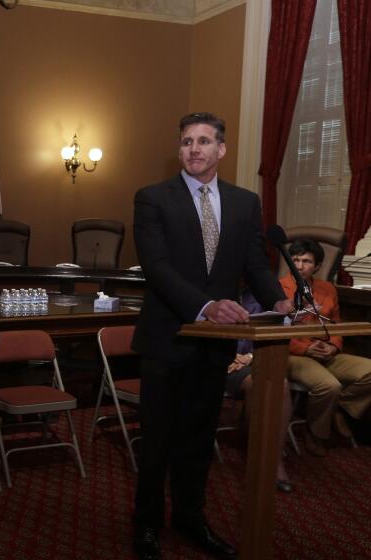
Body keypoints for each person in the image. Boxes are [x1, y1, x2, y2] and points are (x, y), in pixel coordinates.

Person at [132, 112, 292, 560]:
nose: (194, 149)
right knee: (158, 441)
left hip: (214, 346)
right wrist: (206, 307)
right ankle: (146, 526)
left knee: (199, 441)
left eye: (204, 141)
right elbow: (157, 268)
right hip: (168, 338)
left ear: (221, 149)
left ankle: (190, 519)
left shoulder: (244, 203)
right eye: (186, 141)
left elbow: (255, 266)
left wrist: (278, 301)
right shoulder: (152, 198)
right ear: (179, 149)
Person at [280, 238, 371, 457]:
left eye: (306, 261)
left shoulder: (327, 288)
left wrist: (333, 346)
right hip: (293, 353)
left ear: (318, 266)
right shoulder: (278, 288)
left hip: (325, 350)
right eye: (295, 260)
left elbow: (335, 325)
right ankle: (316, 433)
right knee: (329, 386)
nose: (300, 266)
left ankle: (342, 407)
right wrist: (305, 349)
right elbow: (274, 331)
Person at [225, 291, 294, 492]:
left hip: (248, 362)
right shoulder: (215, 292)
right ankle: (258, 458)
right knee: (259, 385)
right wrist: (230, 357)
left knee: (280, 384)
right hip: (219, 363)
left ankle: (274, 461)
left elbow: (269, 337)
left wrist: (249, 357)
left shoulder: (258, 298)